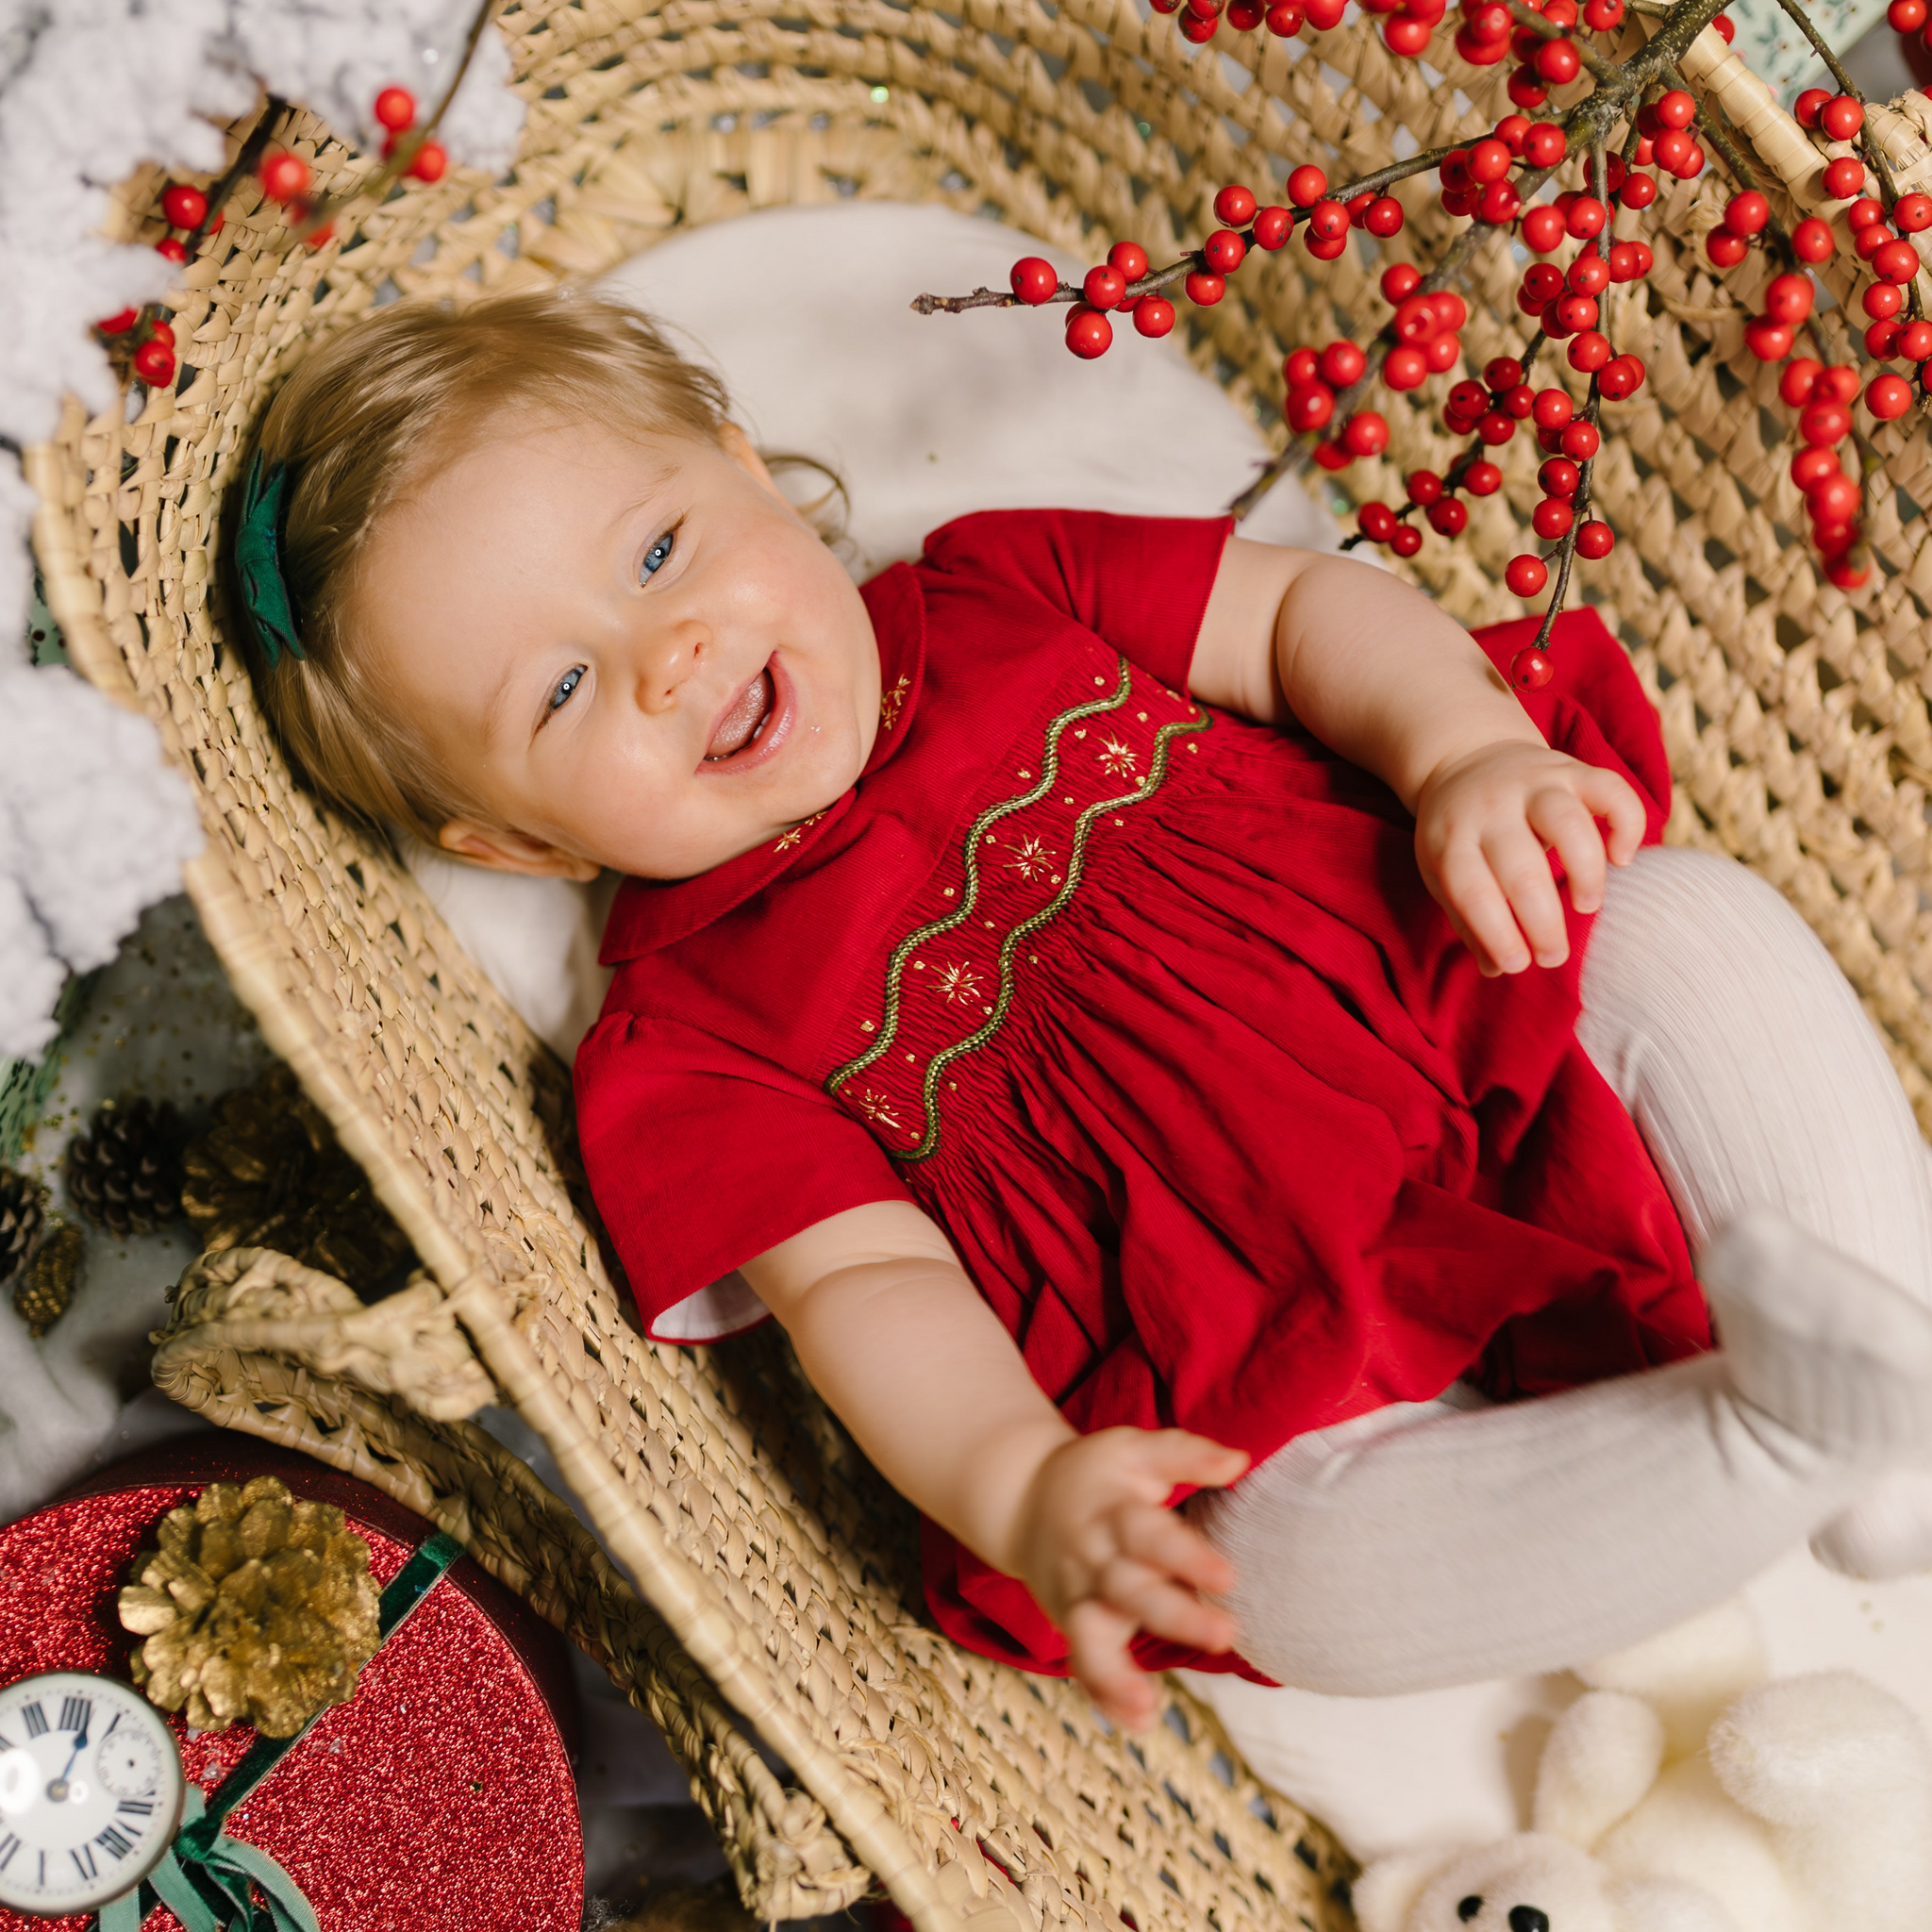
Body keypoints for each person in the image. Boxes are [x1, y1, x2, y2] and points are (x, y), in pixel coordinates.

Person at [231, 287, 1932, 1726]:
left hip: (1454, 986)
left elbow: (1299, 621)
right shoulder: (687, 1042)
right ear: (518, 844)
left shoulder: (994, 588)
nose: (667, 651)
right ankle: (1770, 1451)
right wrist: (1022, 1486)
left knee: (1676, 922)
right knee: (1262, 1579)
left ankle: (1889, 1372)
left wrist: (1463, 751)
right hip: (1234, 1337)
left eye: (662, 549)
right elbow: (868, 1290)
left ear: (749, 470)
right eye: (566, 687)